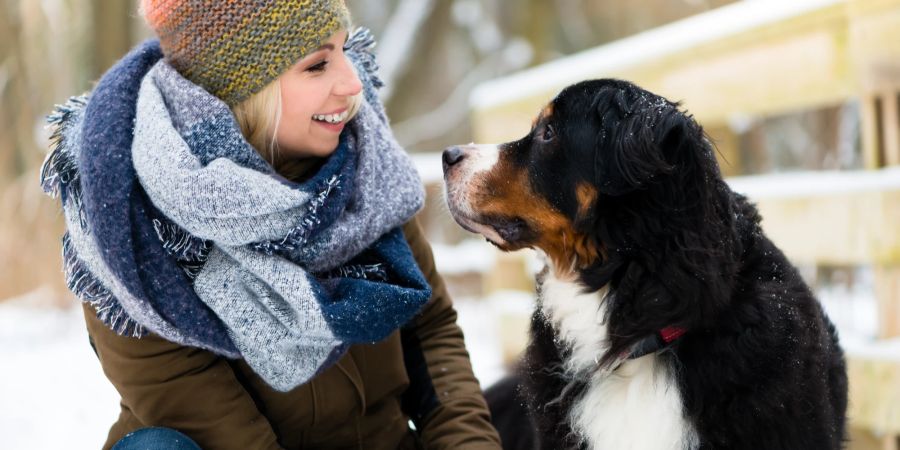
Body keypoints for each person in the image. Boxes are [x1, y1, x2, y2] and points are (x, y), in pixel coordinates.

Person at [40, 1, 502, 449]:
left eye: (343, 50)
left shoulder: (365, 170)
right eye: (318, 65)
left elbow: (433, 331)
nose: (352, 83)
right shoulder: (133, 225)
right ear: (241, 87)